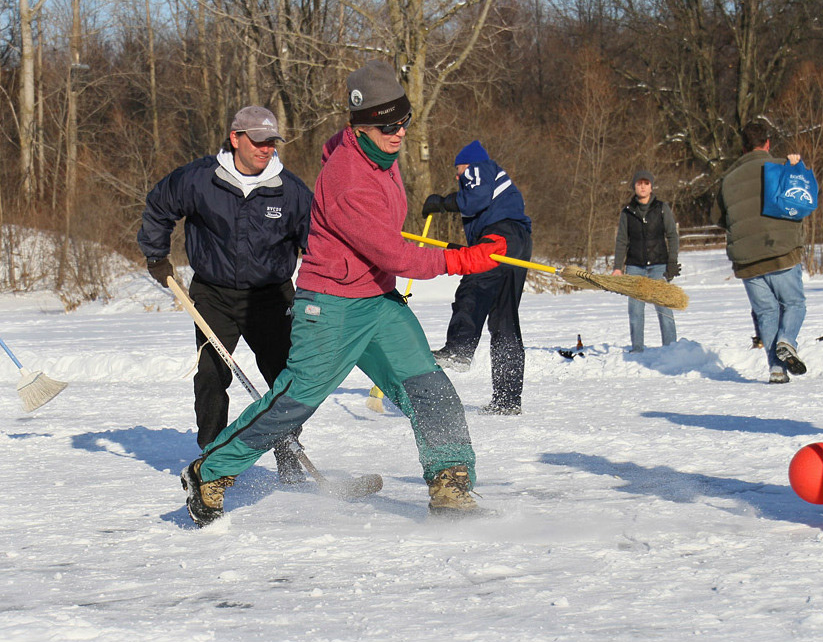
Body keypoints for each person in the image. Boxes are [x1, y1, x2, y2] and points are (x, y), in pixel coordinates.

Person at [178, 60, 508, 526]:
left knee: (428, 386)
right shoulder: (348, 176)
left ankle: (450, 483)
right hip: (331, 306)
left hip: (377, 301)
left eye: (404, 121)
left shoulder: (382, 159)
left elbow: (385, 245)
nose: (399, 132)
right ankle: (209, 471)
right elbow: (393, 253)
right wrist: (463, 260)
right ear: (361, 126)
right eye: (387, 125)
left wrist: (459, 248)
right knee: (295, 401)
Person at [137, 105, 313, 483]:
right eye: (258, 141)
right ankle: (214, 458)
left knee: (284, 378)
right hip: (213, 293)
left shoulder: (291, 191)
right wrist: (156, 256)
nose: (266, 149)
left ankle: (288, 451)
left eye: (272, 142)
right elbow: (159, 206)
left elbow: (317, 244)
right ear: (236, 138)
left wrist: (324, 289)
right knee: (212, 375)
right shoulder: (200, 179)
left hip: (272, 296)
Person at [424, 141, 533, 415]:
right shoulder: (497, 181)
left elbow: (475, 198)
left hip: (500, 237)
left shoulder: (478, 168)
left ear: (467, 164)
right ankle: (507, 401)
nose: (457, 175)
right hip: (518, 241)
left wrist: (443, 202)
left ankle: (459, 348)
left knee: (473, 287)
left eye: (457, 169)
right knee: (504, 320)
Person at [713, 122, 809, 384]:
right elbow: (805, 199)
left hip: (747, 259)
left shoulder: (728, 179)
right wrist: (796, 167)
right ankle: (787, 341)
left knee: (767, 313)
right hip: (781, 249)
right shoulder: (781, 167)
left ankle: (776, 370)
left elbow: (717, 217)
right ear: (767, 143)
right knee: (794, 304)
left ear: (743, 148)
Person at [612, 169, 679, 350]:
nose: (642, 187)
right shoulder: (627, 212)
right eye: (639, 184)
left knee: (664, 308)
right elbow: (622, 241)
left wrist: (672, 262)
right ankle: (637, 349)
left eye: (646, 183)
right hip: (635, 266)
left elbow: (672, 236)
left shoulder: (662, 208)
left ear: (651, 186)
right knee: (635, 309)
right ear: (634, 186)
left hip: (659, 265)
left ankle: (671, 348)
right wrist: (618, 267)